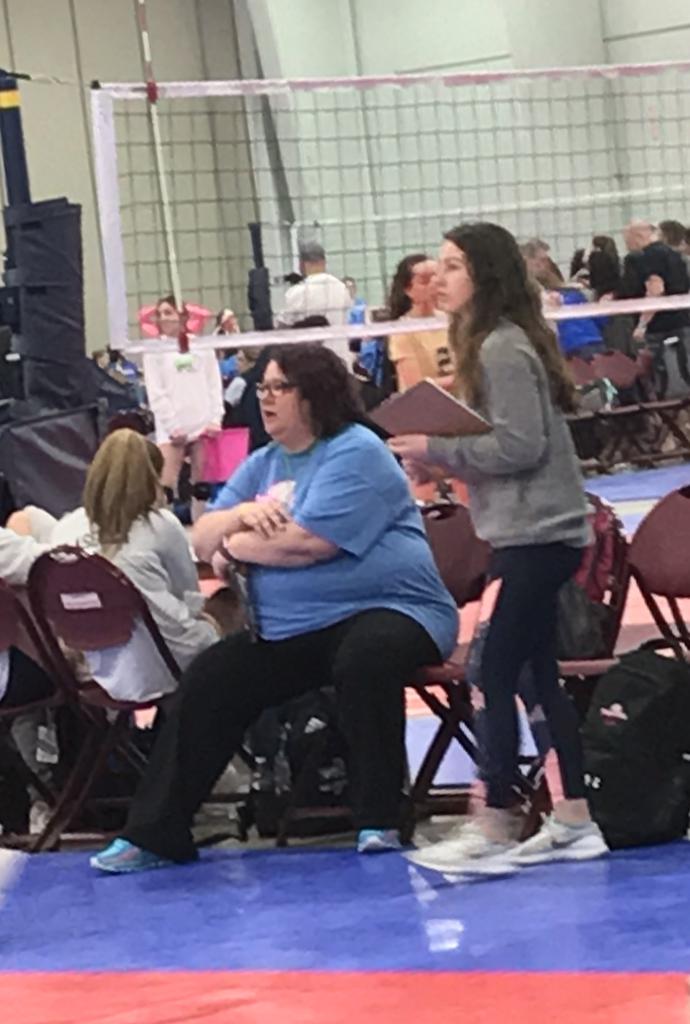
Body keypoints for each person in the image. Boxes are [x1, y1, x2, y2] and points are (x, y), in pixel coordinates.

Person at [90, 344, 459, 874]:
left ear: (314, 394)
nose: (265, 398)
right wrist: (241, 514)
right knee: (213, 676)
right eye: (262, 386)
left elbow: (309, 544)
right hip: (295, 630)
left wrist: (235, 545)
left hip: (395, 611)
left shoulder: (356, 450)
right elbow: (201, 540)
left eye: (278, 387)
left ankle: (379, 819)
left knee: (365, 657)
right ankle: (154, 833)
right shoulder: (263, 463)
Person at [389, 222, 607, 875]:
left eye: (454, 265)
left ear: (484, 275)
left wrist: (436, 447)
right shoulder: (494, 343)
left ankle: (495, 822)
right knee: (535, 674)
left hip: (536, 536)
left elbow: (519, 445)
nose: (441, 277)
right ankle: (572, 817)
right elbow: (502, 446)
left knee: (488, 670)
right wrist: (441, 459)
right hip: (529, 531)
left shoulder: (501, 348)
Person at [6, 430, 219, 703]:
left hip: (100, 671)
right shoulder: (161, 524)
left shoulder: (67, 530)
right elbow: (189, 594)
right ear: (151, 477)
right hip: (164, 665)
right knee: (224, 615)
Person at [142, 295, 224, 521]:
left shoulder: (201, 346)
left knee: (202, 486)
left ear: (183, 316)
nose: (163, 318)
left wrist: (215, 419)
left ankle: (202, 529)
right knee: (166, 487)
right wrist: (172, 426)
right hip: (171, 429)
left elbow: (214, 384)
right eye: (159, 314)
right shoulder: (153, 351)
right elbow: (156, 393)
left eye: (168, 312)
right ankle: (165, 530)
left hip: (202, 424)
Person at [276, 242, 352, 362]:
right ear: (324, 262)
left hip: (311, 363)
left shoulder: (298, 292)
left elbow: (282, 329)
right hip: (341, 360)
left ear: (302, 264)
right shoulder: (342, 289)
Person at [387, 254, 453, 391]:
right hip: (426, 402)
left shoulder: (451, 320)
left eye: (437, 277)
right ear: (408, 290)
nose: (433, 285)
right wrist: (463, 379)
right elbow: (416, 386)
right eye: (425, 281)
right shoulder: (402, 331)